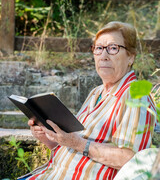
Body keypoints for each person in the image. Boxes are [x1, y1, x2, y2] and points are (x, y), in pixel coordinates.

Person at [18, 21, 156, 180]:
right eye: (99, 48)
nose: (104, 56)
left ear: (130, 57)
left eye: (113, 48)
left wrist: (76, 143)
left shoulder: (136, 94)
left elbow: (131, 160)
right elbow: (71, 145)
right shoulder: (96, 93)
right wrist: (48, 136)